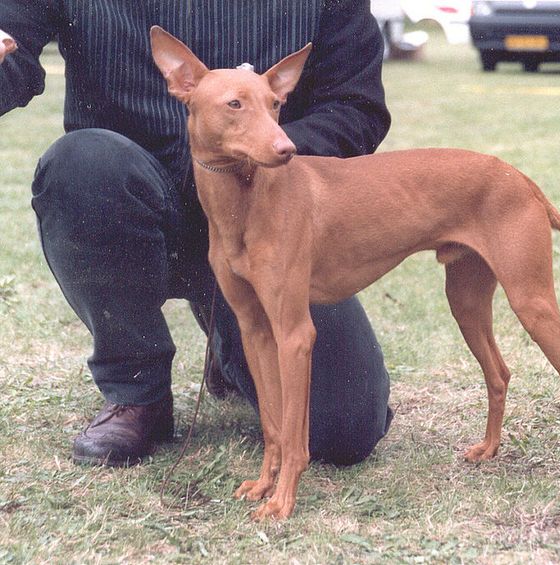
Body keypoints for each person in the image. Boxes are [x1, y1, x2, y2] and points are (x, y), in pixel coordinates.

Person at [0, 1, 393, 468]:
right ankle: (136, 389)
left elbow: (355, 108)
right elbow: (13, 59)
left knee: (343, 431)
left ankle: (231, 337)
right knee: (80, 163)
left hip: (264, 219)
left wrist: (253, 154)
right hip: (124, 201)